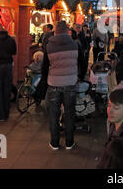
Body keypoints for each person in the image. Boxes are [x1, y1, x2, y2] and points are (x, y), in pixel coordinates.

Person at [42, 21, 85, 150]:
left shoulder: (49, 46)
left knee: (54, 114)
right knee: (70, 113)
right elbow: (82, 63)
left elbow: (44, 67)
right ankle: (69, 142)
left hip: (53, 84)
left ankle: (54, 143)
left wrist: (46, 80)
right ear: (67, 31)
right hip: (70, 83)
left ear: (55, 31)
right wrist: (80, 77)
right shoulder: (75, 45)